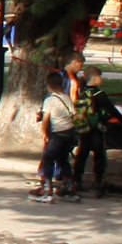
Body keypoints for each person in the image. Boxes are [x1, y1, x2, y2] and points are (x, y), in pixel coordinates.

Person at [70, 65, 122, 195]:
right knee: (99, 154)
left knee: (82, 153)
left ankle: (76, 179)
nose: (101, 80)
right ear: (95, 79)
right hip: (96, 128)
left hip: (84, 128)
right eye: (100, 77)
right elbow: (111, 109)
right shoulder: (99, 94)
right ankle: (98, 180)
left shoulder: (82, 92)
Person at [34, 72, 79, 201]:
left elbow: (45, 120)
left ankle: (47, 187)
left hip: (57, 134)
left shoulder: (49, 100)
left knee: (48, 158)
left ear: (49, 85)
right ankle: (69, 186)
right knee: (63, 160)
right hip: (69, 133)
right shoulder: (67, 98)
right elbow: (74, 115)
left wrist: (45, 134)